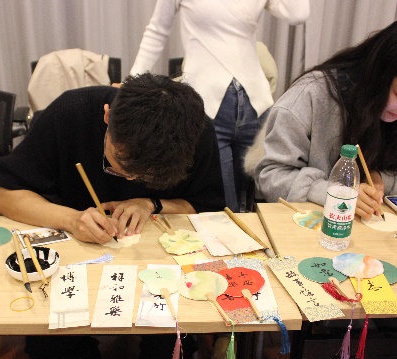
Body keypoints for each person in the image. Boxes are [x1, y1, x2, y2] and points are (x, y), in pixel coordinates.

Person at [0, 73, 225, 359]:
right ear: (108, 116)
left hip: (157, 263)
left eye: (146, 178)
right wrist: (70, 219)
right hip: (74, 260)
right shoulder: (69, 113)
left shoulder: (192, 131)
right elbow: (1, 194)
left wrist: (151, 203)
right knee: (48, 340)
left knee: (177, 328)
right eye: (120, 166)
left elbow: (207, 207)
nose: (131, 180)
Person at [253, 13, 397, 220]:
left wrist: (381, 179)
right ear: (380, 73)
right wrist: (332, 193)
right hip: (307, 225)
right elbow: (271, 174)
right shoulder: (313, 94)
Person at [130, 0, 310, 212]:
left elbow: (298, 13)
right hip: (207, 107)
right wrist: (131, 84)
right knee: (221, 205)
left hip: (255, 104)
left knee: (249, 205)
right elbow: (157, 31)